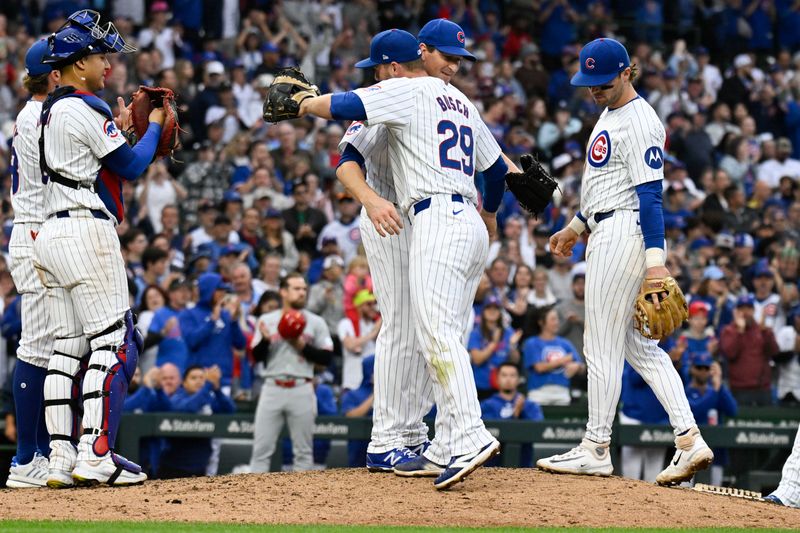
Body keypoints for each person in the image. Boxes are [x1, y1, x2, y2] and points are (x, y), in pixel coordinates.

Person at [300, 19, 510, 489]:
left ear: (392, 67)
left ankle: (433, 437)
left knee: (433, 330)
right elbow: (347, 162)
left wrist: (302, 102)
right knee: (416, 327)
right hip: (401, 218)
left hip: (428, 218)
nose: (375, 76)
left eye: (377, 68)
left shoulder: (401, 91)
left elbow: (346, 105)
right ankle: (403, 438)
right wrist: (372, 201)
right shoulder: (454, 101)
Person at [538, 38, 713, 486]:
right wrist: (575, 227)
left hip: (625, 233)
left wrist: (656, 263)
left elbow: (650, 197)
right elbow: (605, 185)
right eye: (590, 84)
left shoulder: (640, 120)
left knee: (600, 345)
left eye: (604, 82)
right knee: (638, 347)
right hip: (608, 225)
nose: (595, 90)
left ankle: (595, 447)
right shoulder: (609, 112)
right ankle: (690, 440)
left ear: (627, 73)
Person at [33, 10, 165, 487]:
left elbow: (99, 160)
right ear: (77, 61)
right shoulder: (87, 106)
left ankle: (61, 458)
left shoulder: (50, 108)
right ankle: (97, 452)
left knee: (66, 348)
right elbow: (129, 168)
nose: (107, 64)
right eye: (100, 57)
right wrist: (151, 125)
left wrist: (125, 130)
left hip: (51, 233)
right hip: (86, 229)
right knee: (111, 340)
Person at [5, 38, 61, 488]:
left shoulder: (39, 113)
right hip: (35, 231)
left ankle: (42, 451)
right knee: (36, 347)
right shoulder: (38, 116)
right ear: (55, 74)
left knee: (52, 349)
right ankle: (26, 458)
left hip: (41, 230)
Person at [249, 273, 334, 472]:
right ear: (283, 292)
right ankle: (252, 500)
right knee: (261, 450)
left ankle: (302, 502)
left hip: (301, 386)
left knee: (304, 453)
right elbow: (256, 356)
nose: (302, 293)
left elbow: (326, 358)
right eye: (296, 289)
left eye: (304, 289)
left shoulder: (316, 322)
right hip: (272, 386)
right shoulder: (267, 320)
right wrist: (265, 340)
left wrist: (301, 345)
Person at [159, 365, 235, 478]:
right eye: (194, 378)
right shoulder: (177, 398)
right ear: (184, 383)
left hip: (200, 467)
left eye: (202, 378)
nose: (198, 381)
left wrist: (217, 390)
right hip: (173, 467)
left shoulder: (208, 398)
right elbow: (188, 408)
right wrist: (208, 385)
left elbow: (229, 410)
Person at [179, 273, 247, 394]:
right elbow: (192, 341)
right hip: (198, 379)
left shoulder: (226, 315)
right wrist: (211, 321)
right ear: (208, 290)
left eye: (223, 290)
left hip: (224, 378)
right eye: (218, 289)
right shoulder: (188, 314)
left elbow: (240, 344)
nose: (222, 294)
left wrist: (234, 321)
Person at [684, 351, 738, 487]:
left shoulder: (717, 390)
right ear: (692, 369)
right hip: (690, 453)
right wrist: (715, 390)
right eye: (699, 367)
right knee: (684, 496)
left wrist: (720, 386)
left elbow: (733, 410)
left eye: (707, 368)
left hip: (715, 454)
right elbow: (696, 410)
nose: (703, 371)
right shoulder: (686, 391)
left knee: (713, 496)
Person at [479, 362, 543, 468]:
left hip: (523, 467)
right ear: (497, 379)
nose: (508, 379)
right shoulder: (487, 405)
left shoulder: (529, 405)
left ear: (518, 380)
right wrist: (514, 416)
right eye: (504, 375)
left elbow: (539, 428)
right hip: (492, 467)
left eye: (512, 375)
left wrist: (522, 412)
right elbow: (487, 431)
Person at [719, 294, 779, 406]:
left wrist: (765, 332)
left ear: (754, 310)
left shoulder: (762, 329)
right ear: (735, 311)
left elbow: (774, 352)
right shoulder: (729, 331)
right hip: (739, 389)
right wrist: (740, 331)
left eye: (749, 308)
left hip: (763, 389)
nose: (745, 312)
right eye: (741, 308)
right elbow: (730, 354)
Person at [619, 362, 669, 482]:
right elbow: (635, 378)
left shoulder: (670, 347)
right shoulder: (639, 345)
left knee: (654, 474)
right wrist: (661, 364)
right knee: (630, 474)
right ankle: (627, 499)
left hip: (660, 418)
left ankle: (651, 500)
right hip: (633, 417)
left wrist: (675, 362)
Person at [522, 307, 583, 406]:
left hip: (562, 391)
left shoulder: (565, 343)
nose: (557, 322)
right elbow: (539, 367)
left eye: (557, 319)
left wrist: (577, 367)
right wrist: (564, 360)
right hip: (538, 392)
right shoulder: (532, 343)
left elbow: (581, 366)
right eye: (553, 319)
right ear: (541, 322)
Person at [467, 296, 521, 399]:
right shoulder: (476, 333)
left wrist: (512, 346)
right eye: (489, 308)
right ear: (483, 311)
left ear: (500, 312)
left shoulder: (508, 332)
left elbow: (515, 361)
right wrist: (494, 343)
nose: (492, 311)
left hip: (502, 386)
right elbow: (477, 359)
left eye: (495, 308)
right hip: (481, 386)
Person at [338, 289, 381, 391]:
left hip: (372, 385)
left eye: (374, 304)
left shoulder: (374, 325)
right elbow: (350, 345)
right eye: (368, 304)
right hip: (352, 384)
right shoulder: (346, 323)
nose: (373, 308)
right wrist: (373, 334)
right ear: (359, 306)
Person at [341, 355, 375, 468]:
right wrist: (376, 394)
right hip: (358, 452)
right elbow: (351, 415)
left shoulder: (392, 394)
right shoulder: (353, 394)